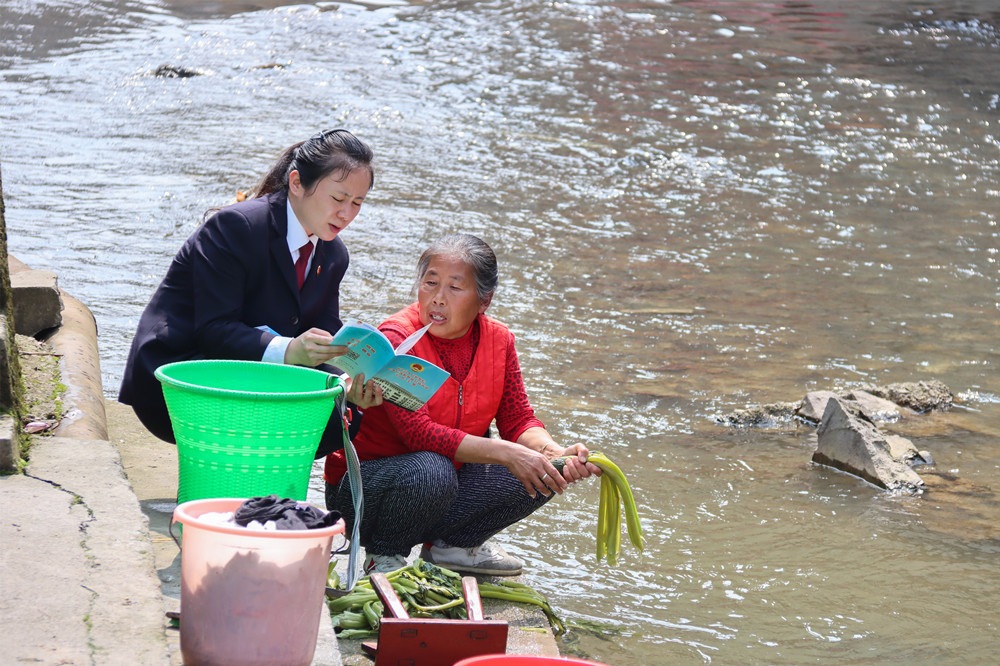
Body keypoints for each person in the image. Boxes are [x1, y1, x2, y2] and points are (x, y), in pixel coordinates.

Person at [324, 233, 599, 576]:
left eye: (455, 288)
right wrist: (509, 453)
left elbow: (518, 419)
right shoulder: (397, 340)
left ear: (484, 300)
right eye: (430, 283)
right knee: (432, 470)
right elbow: (420, 436)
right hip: (365, 491)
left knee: (545, 470)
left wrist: (551, 450)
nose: (437, 299)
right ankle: (385, 555)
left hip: (443, 484)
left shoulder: (500, 341)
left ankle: (453, 548)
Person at [119, 129, 384, 451]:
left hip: (250, 370)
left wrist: (348, 381)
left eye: (358, 202)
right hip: (181, 371)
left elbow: (323, 337)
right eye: (339, 199)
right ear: (298, 183)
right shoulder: (236, 226)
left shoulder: (333, 254)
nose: (347, 214)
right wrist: (290, 351)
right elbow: (214, 329)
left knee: (338, 413)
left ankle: (262, 498)